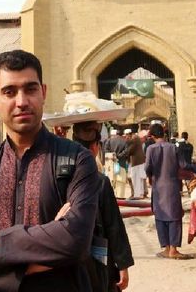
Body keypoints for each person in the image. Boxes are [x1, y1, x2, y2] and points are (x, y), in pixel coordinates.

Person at [0, 50, 100, 291]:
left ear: (43, 92)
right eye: (9, 92)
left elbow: (75, 242)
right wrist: (42, 247)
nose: (22, 101)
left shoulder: (76, 160)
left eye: (30, 89)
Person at [72, 121, 134, 292]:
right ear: (95, 148)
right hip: (98, 261)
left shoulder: (57, 179)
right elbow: (113, 225)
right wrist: (123, 264)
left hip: (65, 260)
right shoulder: (100, 181)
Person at [145, 123, 192, 260]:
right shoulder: (173, 148)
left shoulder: (150, 149)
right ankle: (173, 249)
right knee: (174, 216)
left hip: (157, 185)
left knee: (160, 215)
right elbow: (183, 165)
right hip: (172, 185)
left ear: (152, 136)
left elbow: (147, 168)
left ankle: (166, 249)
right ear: (164, 134)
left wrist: (151, 177)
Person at [103, 128, 128, 198]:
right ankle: (120, 196)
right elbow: (126, 151)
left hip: (110, 163)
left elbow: (106, 150)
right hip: (121, 163)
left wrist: (113, 155)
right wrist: (118, 156)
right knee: (121, 181)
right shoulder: (124, 141)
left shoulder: (109, 140)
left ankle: (111, 196)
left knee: (111, 180)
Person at [124, 129, 146, 199]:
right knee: (139, 178)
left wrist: (126, 140)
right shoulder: (136, 138)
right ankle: (141, 193)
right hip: (139, 161)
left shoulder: (134, 139)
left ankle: (137, 194)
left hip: (136, 161)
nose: (126, 137)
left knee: (135, 178)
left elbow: (129, 150)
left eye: (126, 136)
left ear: (128, 134)